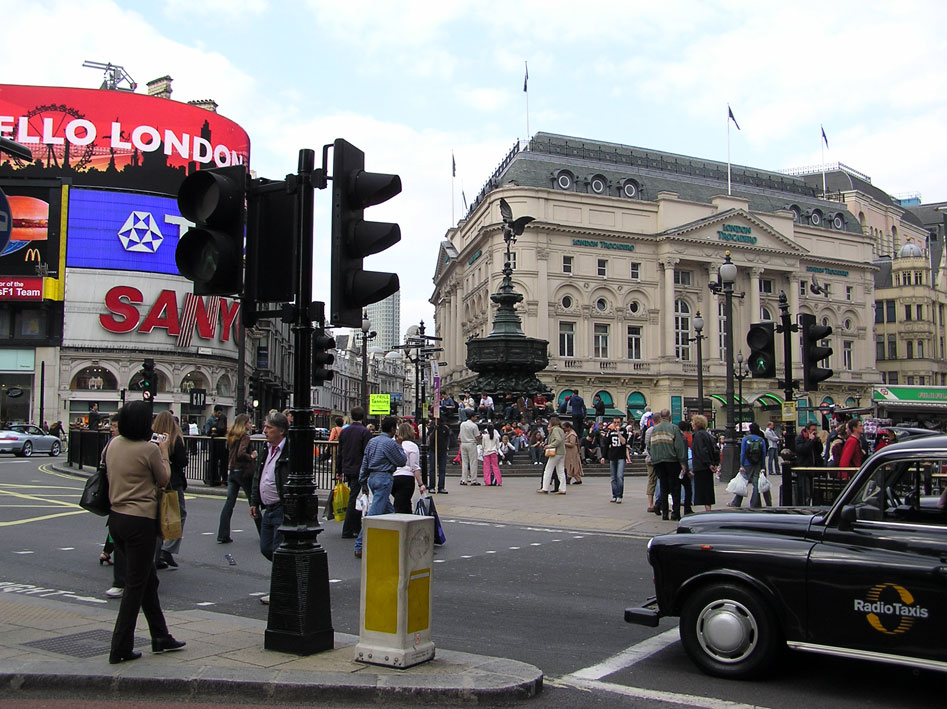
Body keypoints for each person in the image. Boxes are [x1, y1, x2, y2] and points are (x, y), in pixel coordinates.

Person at [105, 400, 185, 664]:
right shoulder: (147, 450)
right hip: (140, 522)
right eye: (148, 420)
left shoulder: (113, 444)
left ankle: (161, 636)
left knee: (148, 580)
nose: (152, 424)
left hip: (116, 519)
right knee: (135, 587)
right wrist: (163, 451)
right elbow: (165, 478)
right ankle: (120, 648)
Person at [249, 412, 291, 605]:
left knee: (278, 550)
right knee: (266, 548)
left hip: (282, 507)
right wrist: (254, 501)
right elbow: (260, 473)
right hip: (268, 508)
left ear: (281, 431)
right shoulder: (267, 448)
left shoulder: (289, 451)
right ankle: (290, 577)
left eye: (269, 428)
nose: (264, 430)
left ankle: (280, 589)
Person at [354, 416, 407, 558]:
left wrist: (363, 482)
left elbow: (365, 462)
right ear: (392, 429)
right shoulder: (391, 444)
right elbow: (402, 461)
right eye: (395, 428)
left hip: (372, 477)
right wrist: (400, 444)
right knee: (374, 514)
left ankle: (398, 539)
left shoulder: (372, 441)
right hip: (384, 477)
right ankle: (360, 545)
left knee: (389, 511)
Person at [152, 411, 188, 570]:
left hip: (155, 481)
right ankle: (166, 550)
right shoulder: (174, 439)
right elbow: (182, 461)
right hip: (173, 482)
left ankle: (158, 555)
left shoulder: (153, 438)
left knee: (158, 518)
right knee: (178, 514)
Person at [217, 414, 259, 544]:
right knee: (253, 502)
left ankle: (223, 534)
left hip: (233, 471)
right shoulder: (245, 436)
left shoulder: (232, 436)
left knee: (229, 503)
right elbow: (241, 453)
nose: (250, 425)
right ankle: (264, 532)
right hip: (243, 472)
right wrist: (252, 456)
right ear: (244, 423)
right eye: (249, 422)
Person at [338, 407, 372, 539]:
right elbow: (366, 454)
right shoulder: (365, 432)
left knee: (356, 496)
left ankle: (356, 527)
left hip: (347, 467)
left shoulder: (344, 432)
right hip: (359, 469)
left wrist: (338, 471)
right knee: (355, 498)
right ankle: (347, 529)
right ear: (363, 417)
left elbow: (340, 453)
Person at [649, 409, 689, 520]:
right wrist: (682, 462)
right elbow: (679, 447)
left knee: (663, 487)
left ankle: (665, 514)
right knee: (675, 487)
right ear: (669, 417)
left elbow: (649, 445)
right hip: (672, 461)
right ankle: (675, 513)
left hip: (658, 461)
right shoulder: (674, 428)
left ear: (661, 417)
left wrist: (654, 457)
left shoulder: (654, 430)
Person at [730, 422, 768, 509]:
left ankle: (737, 502)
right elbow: (763, 454)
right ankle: (755, 503)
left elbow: (742, 453)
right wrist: (762, 466)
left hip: (747, 464)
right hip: (757, 464)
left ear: (750, 430)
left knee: (742, 483)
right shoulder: (761, 440)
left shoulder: (745, 439)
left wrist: (741, 464)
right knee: (756, 484)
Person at [392, 422, 425, 513]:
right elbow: (414, 467)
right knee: (401, 505)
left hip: (394, 477)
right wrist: (420, 484)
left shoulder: (394, 444)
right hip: (407, 478)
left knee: (404, 502)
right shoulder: (412, 446)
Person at [691, 415, 718, 512]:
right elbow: (715, 450)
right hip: (707, 466)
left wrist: (708, 463)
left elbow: (702, 451)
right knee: (708, 488)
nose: (692, 424)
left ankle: (707, 509)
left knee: (703, 489)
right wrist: (714, 463)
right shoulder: (708, 435)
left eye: (693, 422)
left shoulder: (698, 435)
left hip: (701, 466)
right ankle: (708, 508)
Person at [539, 416, 566, 494]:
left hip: (555, 452)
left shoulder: (555, 429)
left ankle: (545, 488)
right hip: (562, 452)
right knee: (560, 471)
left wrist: (550, 445)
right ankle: (562, 489)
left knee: (548, 470)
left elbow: (558, 439)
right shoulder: (561, 429)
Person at [602, 420, 628, 502]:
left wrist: (618, 432)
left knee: (619, 476)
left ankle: (619, 495)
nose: (616, 424)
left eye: (618, 422)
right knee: (613, 477)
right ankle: (614, 495)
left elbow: (624, 442)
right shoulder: (610, 432)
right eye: (615, 422)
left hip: (621, 456)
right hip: (612, 456)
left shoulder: (624, 431)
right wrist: (603, 457)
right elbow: (606, 445)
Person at [204, 406, 228, 486]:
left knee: (220, 463)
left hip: (219, 445)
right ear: (215, 411)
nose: (220, 414)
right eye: (218, 413)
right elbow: (207, 432)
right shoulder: (210, 420)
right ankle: (216, 479)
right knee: (217, 462)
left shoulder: (221, 420)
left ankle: (219, 479)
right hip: (216, 445)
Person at [426, 417, 450, 493]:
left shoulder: (445, 429)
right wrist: (434, 430)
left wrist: (447, 447)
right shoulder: (432, 428)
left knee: (442, 469)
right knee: (432, 469)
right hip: (433, 450)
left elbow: (447, 438)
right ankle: (432, 486)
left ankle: (441, 487)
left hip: (442, 450)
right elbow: (430, 438)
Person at [459, 411, 481, 486]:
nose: (476, 418)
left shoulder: (462, 424)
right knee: (473, 462)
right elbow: (477, 437)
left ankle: (464, 479)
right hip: (471, 443)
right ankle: (473, 480)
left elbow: (459, 436)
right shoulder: (474, 426)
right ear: (472, 417)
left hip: (463, 443)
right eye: (475, 417)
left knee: (464, 462)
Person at [644, 412, 660, 514]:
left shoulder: (648, 430)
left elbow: (646, 444)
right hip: (658, 458)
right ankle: (661, 503)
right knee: (661, 481)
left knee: (651, 480)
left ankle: (651, 504)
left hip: (649, 459)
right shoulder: (659, 430)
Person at [562, 420, 584, 485]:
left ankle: (576, 479)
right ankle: (570, 478)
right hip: (568, 452)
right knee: (569, 465)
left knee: (573, 465)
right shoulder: (567, 433)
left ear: (568, 427)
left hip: (572, 452)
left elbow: (572, 444)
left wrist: (563, 443)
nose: (564, 429)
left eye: (564, 428)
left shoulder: (572, 434)